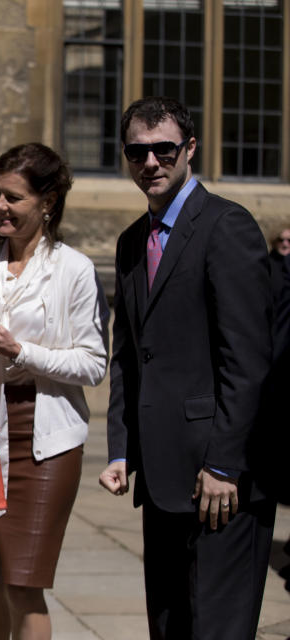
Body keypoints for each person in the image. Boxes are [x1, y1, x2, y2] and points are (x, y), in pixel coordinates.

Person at [99, 96, 274, 639]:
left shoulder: (228, 227)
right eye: (137, 152)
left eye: (164, 149)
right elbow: (128, 355)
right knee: (170, 626)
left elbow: (247, 362)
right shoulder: (132, 242)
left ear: (190, 148)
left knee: (218, 629)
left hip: (219, 480)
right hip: (160, 474)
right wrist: (122, 447)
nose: (150, 162)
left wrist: (225, 465)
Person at [0, 143, 109, 640]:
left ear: (48, 202)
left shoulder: (73, 269)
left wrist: (21, 351)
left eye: (13, 198)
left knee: (23, 582)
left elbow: (93, 364)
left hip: (46, 437)